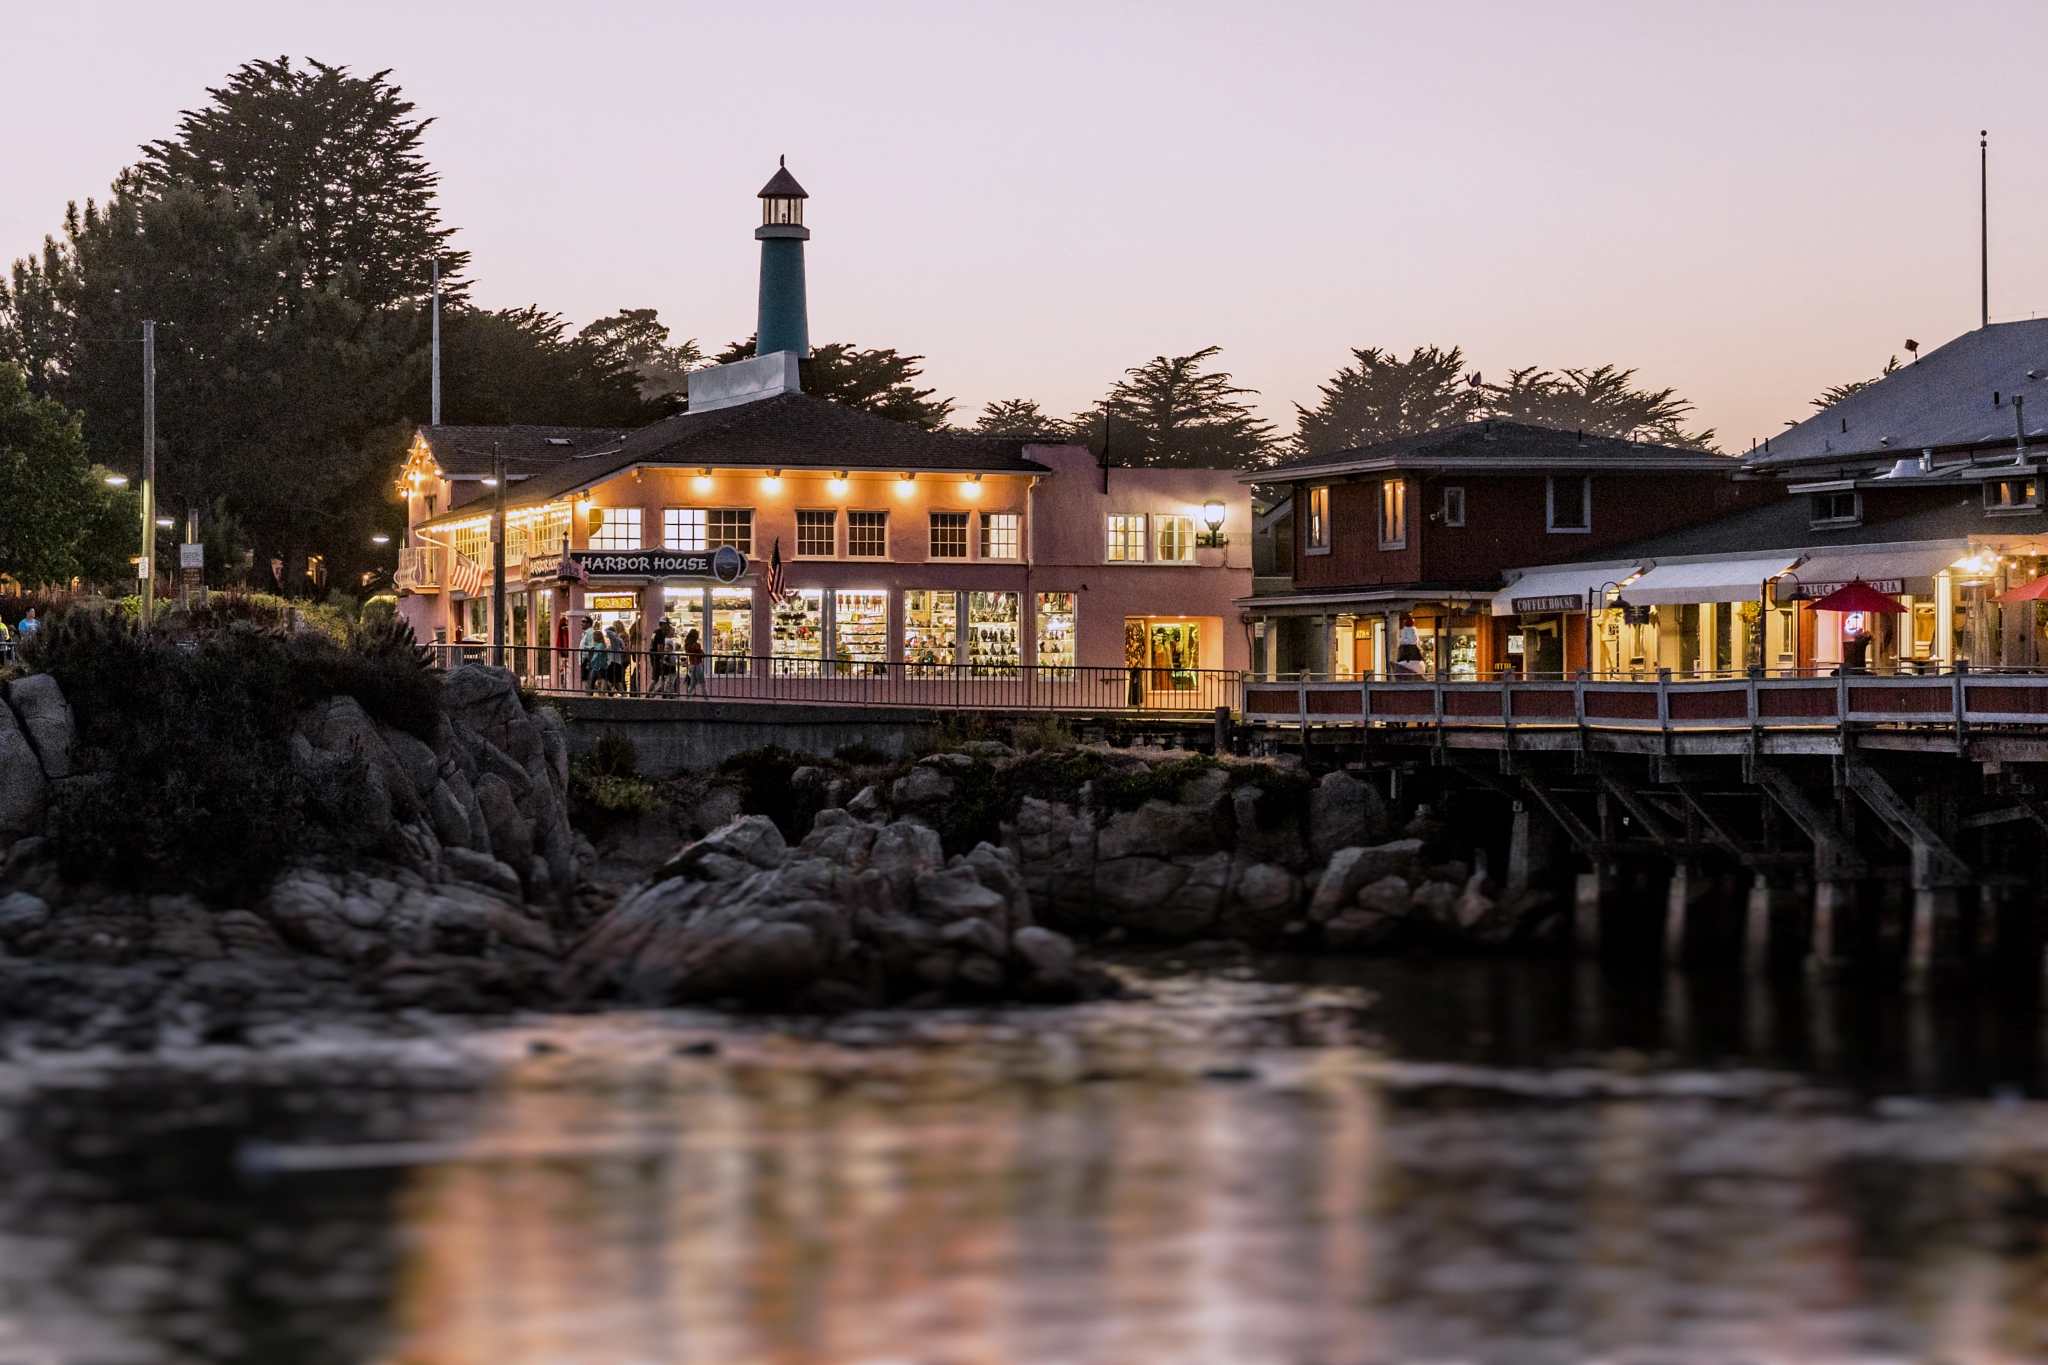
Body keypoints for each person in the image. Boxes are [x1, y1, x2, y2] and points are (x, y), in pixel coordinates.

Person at [604, 620, 629, 694]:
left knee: (616, 679)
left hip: (615, 661)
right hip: (617, 661)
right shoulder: (620, 639)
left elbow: (607, 631)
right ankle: (616, 692)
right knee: (616, 679)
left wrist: (611, 630)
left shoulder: (616, 639)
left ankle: (617, 693)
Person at [579, 619, 603, 693]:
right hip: (584, 659)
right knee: (587, 680)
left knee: (588, 680)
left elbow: (592, 647)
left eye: (584, 621)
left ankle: (601, 691)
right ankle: (601, 691)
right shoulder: (585, 634)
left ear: (589, 623)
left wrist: (589, 659)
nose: (582, 623)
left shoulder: (590, 633)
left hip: (587, 659)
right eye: (581, 621)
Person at [684, 627, 706, 697]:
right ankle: (706, 699)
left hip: (691, 665)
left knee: (692, 683)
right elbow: (702, 655)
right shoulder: (697, 645)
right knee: (703, 684)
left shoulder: (688, 645)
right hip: (697, 665)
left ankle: (687, 697)